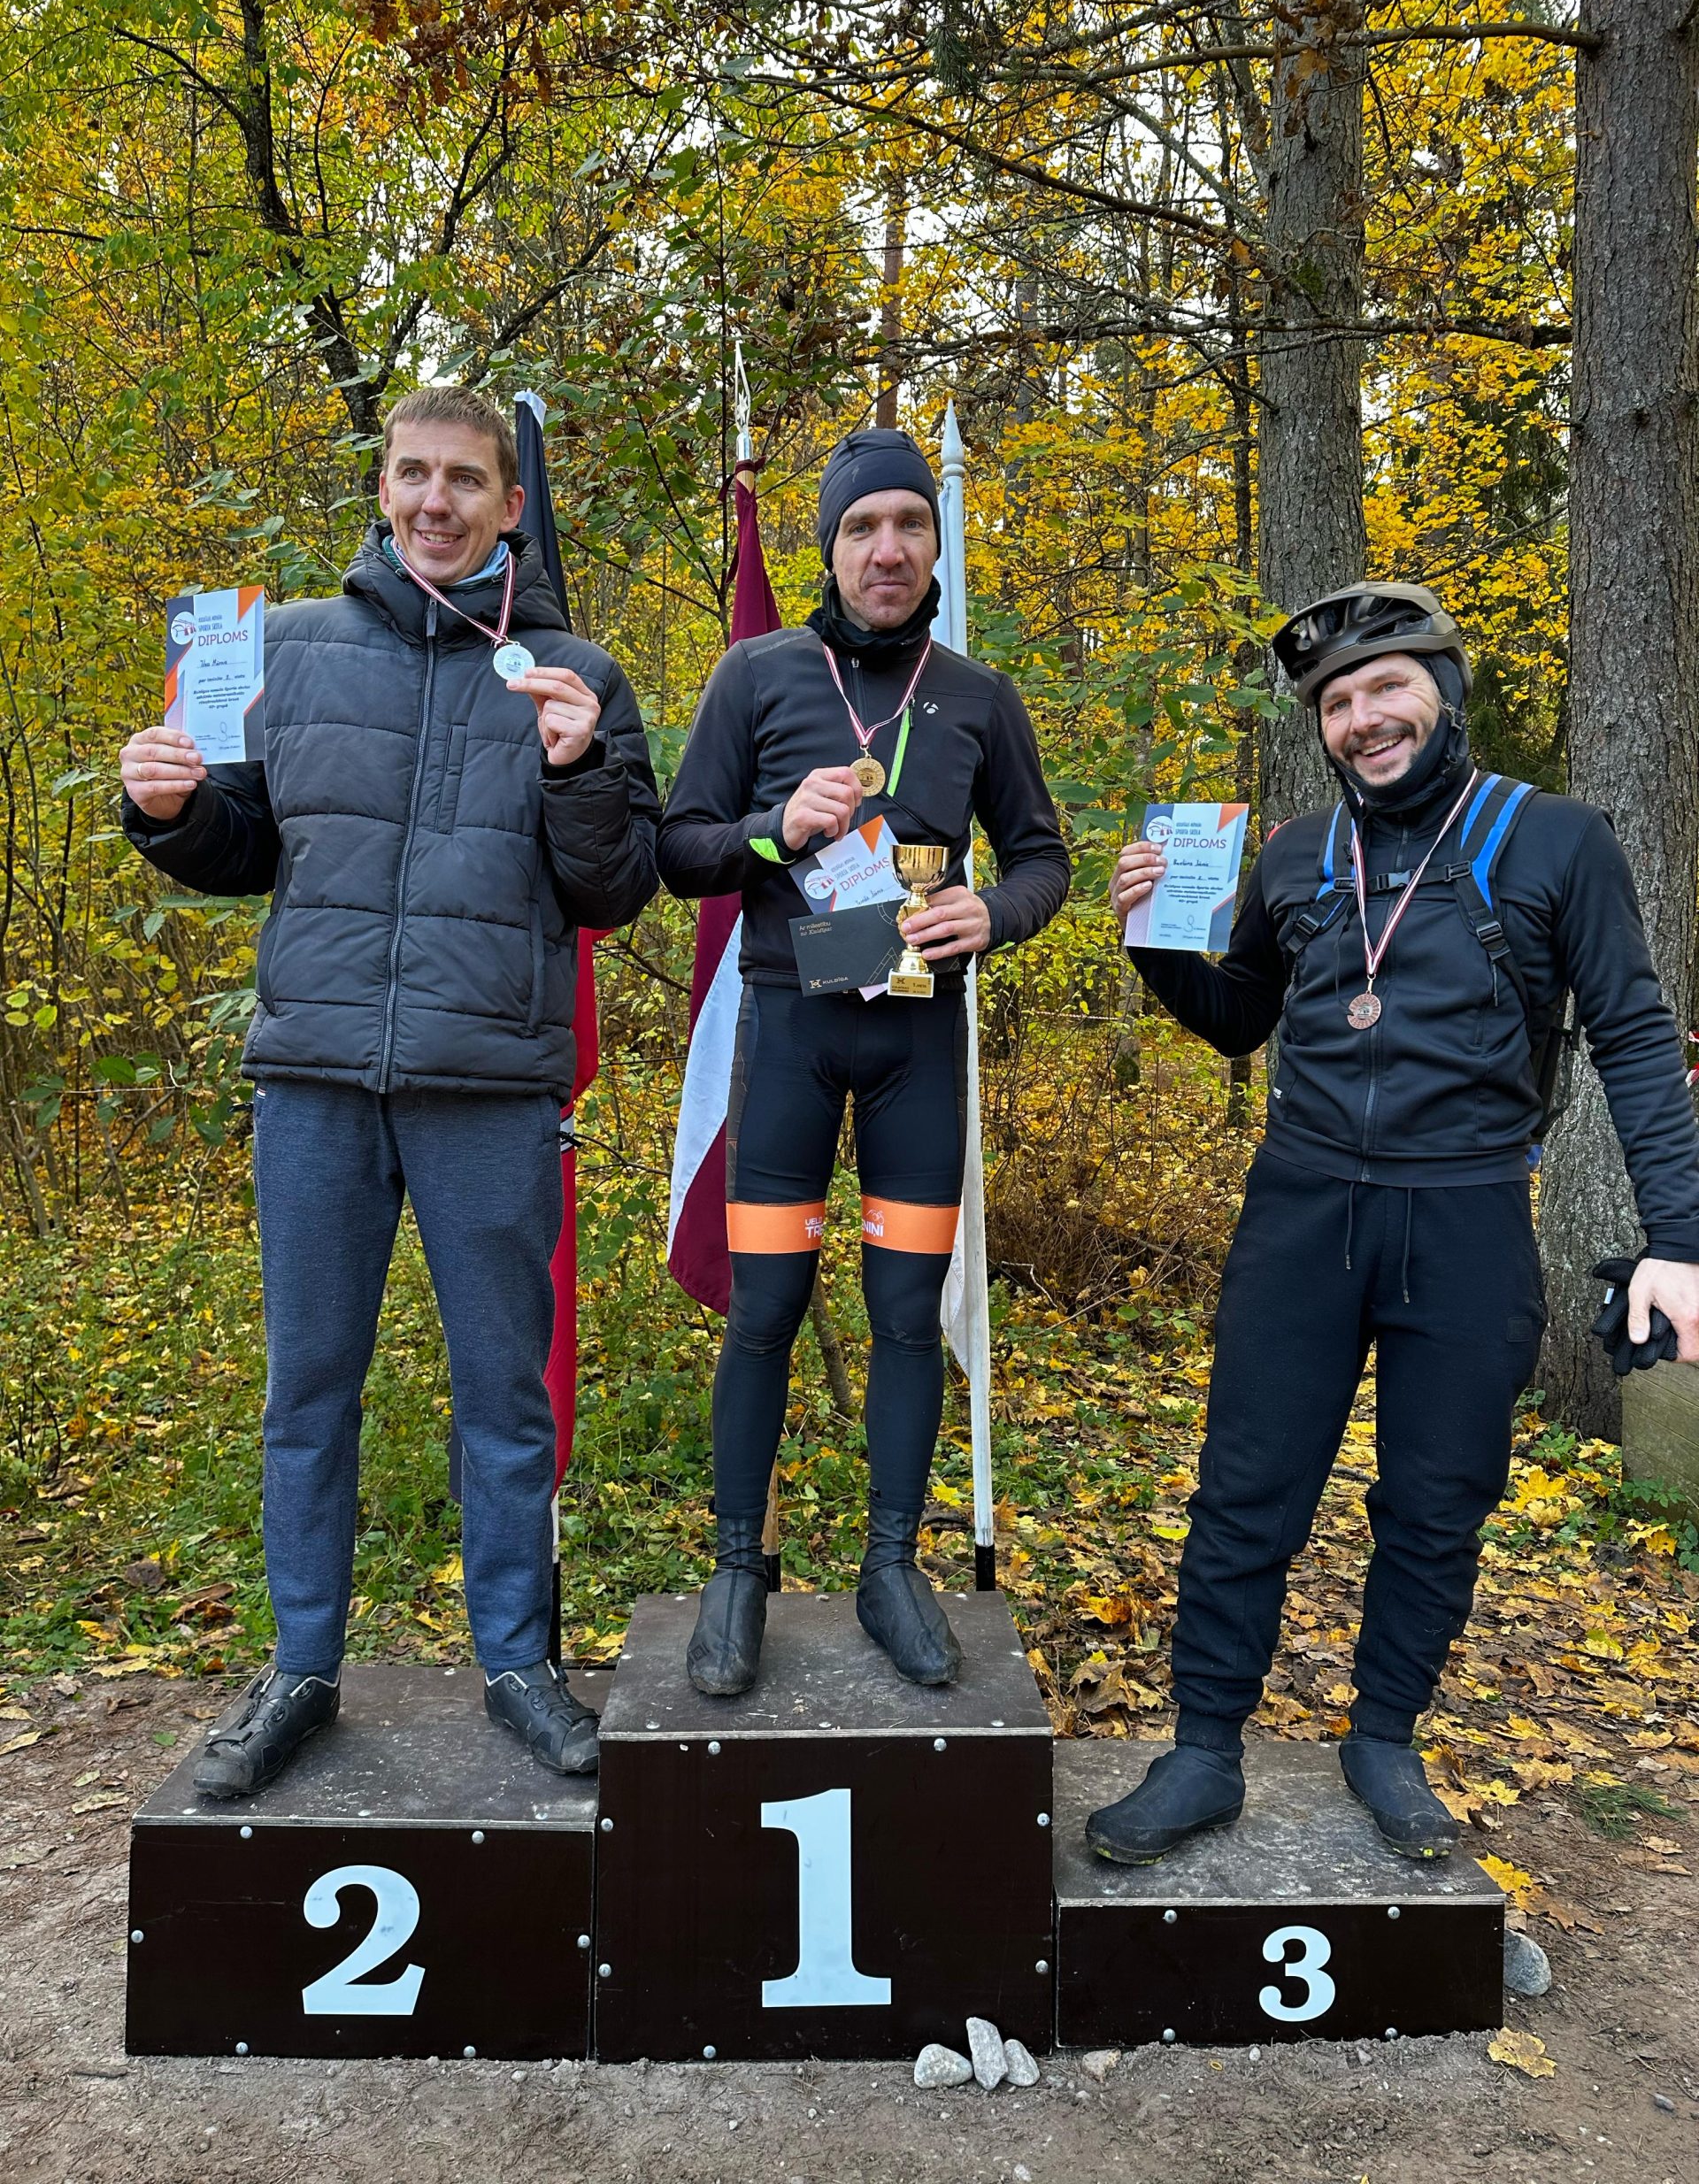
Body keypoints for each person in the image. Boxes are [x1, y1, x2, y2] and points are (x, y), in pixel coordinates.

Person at [1094, 582, 1699, 1863]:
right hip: (1302, 1211)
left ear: (1445, 690)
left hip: (1468, 1216)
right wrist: (1154, 942)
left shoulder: (1558, 841)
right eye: (1337, 702)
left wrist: (1681, 1241)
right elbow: (1238, 1018)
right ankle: (1204, 1749)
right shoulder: (1294, 855)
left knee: (1437, 1498)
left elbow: (1639, 1042)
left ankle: (1382, 1738)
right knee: (1247, 1487)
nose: (1363, 718)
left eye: (1388, 688)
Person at [120, 387, 660, 1796]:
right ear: (382, 489)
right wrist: (166, 811)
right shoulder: (284, 648)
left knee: (505, 1401)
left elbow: (618, 887)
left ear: (510, 505)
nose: (436, 502)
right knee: (309, 1390)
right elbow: (243, 847)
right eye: (414, 474)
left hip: (489, 1088)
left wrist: (577, 768)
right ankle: (300, 1669)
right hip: (315, 1080)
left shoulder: (576, 674)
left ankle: (520, 1665)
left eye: (465, 480)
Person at [658, 427, 1070, 1695]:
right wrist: (775, 831)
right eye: (860, 527)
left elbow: (1044, 858)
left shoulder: (977, 694)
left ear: (935, 541)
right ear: (828, 547)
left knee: (905, 1317)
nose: (886, 549)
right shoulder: (756, 674)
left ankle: (892, 1567)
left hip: (916, 1049)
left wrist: (995, 914)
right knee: (765, 1313)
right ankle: (739, 1571)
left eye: (909, 523)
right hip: (789, 1034)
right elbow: (678, 850)